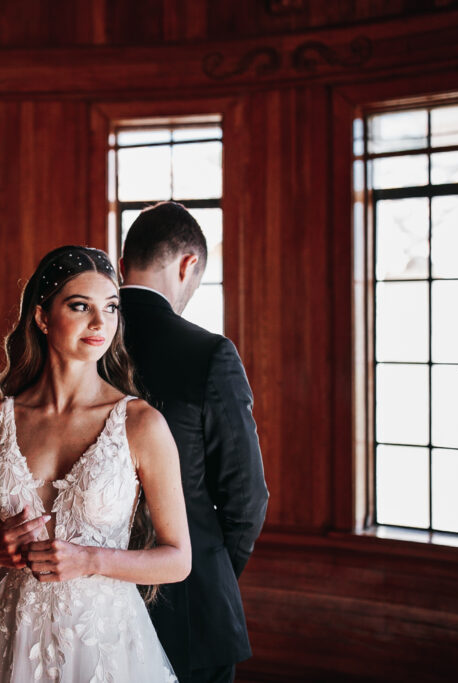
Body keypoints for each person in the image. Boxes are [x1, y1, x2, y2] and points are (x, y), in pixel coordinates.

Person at [0, 245, 191, 682]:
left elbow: (178, 560)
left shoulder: (141, 424)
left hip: (104, 642)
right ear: (43, 318)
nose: (100, 323)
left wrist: (91, 560)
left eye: (111, 307)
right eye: (80, 306)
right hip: (17, 635)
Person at [120, 202, 269, 683]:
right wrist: (207, 567)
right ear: (188, 265)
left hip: (87, 600)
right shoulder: (209, 354)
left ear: (122, 266)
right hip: (192, 610)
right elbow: (246, 500)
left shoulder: (80, 347)